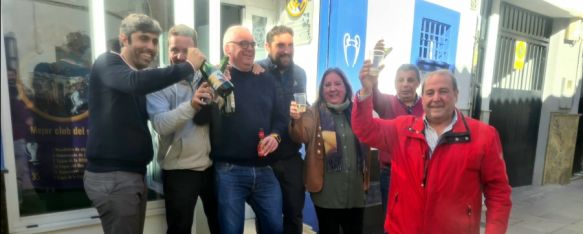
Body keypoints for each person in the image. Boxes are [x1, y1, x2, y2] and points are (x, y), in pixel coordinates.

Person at [352, 65, 512, 233]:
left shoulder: (483, 135)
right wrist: (365, 91)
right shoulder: (403, 129)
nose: (436, 98)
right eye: (429, 93)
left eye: (443, 91)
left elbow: (498, 192)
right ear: (422, 98)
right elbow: (365, 129)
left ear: (456, 95)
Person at [84, 14, 205, 234]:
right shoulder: (108, 63)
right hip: (112, 176)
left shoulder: (137, 76)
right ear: (124, 39)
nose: (150, 46)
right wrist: (188, 66)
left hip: (132, 175)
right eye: (143, 39)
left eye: (154, 41)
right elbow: (135, 84)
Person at [212, 25, 287, 234]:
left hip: (264, 169)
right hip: (229, 170)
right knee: (231, 230)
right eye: (243, 43)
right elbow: (203, 118)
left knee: (274, 226)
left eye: (252, 44)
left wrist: (275, 136)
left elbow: (281, 117)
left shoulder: (266, 79)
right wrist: (215, 90)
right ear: (228, 49)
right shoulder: (216, 78)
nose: (250, 49)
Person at [146, 24, 219, 234]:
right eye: (174, 49)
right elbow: (160, 124)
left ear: (196, 51)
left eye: (186, 51)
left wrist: (222, 95)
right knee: (179, 229)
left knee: (220, 225)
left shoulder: (209, 75)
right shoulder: (158, 81)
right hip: (179, 171)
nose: (179, 56)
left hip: (211, 166)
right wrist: (192, 105)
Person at [289, 68, 371, 234]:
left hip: (355, 191)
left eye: (337, 84)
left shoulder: (357, 111)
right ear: (322, 90)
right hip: (327, 193)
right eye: (327, 85)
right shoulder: (314, 112)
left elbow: (371, 134)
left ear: (346, 87)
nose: (332, 88)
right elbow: (300, 136)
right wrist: (296, 120)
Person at [257, 25, 307, 234]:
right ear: (268, 46)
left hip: (291, 156)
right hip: (264, 158)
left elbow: (302, 106)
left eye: (290, 45)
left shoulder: (300, 73)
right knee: (267, 216)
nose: (286, 50)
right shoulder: (257, 70)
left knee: (294, 213)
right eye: (280, 45)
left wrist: (303, 113)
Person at [372, 59, 423, 215]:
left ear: (418, 83)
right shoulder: (386, 102)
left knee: (416, 218)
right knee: (392, 219)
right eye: (400, 80)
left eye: (410, 80)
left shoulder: (426, 106)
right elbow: (373, 95)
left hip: (419, 173)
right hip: (391, 173)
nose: (405, 84)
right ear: (395, 84)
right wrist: (374, 69)